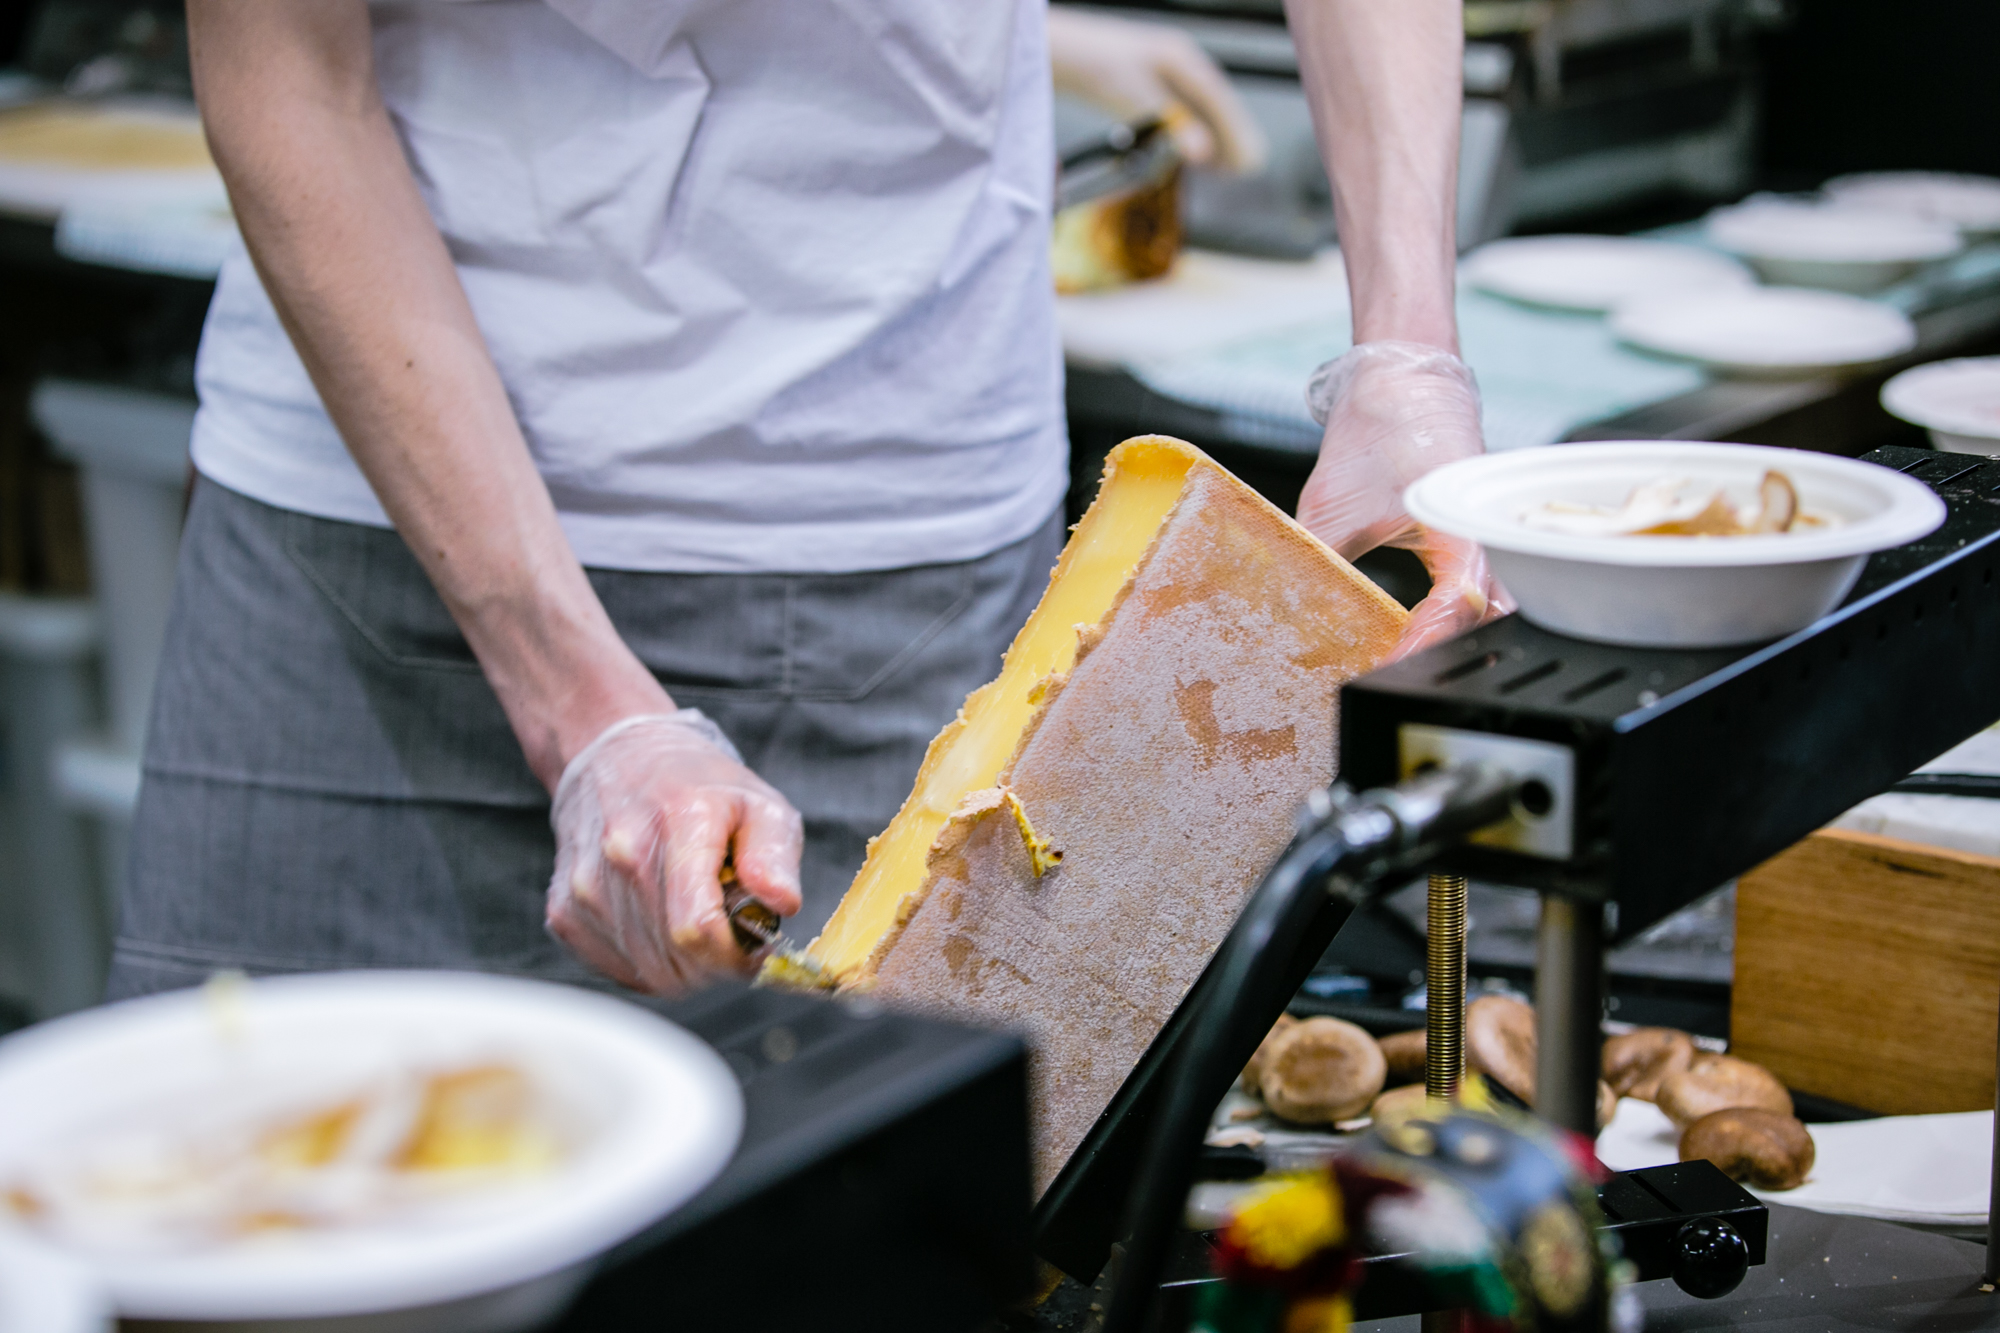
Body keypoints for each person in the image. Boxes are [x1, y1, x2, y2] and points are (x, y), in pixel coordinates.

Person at [106, 0, 1502, 1003]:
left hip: (908, 573)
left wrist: (1405, 352)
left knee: (868, 1262)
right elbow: (283, 59)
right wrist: (578, 703)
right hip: (373, 567)